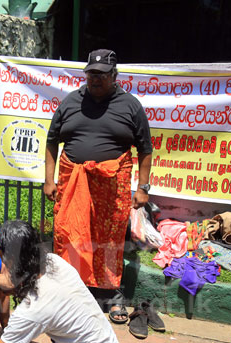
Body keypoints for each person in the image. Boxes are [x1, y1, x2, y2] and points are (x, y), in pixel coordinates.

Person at [44, 49, 153, 324]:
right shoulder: (71, 102)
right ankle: (69, 292)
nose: (95, 79)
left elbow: (145, 149)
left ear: (114, 76)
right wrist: (49, 179)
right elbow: (52, 141)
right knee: (69, 234)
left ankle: (112, 294)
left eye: (102, 75)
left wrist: (143, 187)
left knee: (110, 238)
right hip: (73, 182)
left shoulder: (130, 105)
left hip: (112, 185)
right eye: (92, 73)